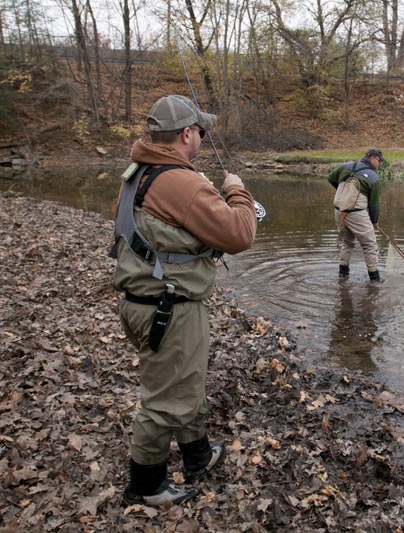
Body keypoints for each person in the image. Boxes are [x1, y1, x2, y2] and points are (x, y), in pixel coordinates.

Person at [110, 94, 257, 506]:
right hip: (167, 309)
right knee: (163, 402)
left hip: (146, 302)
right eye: (201, 131)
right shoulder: (181, 181)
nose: (202, 138)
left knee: (184, 383)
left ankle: (198, 455)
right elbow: (240, 234)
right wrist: (238, 192)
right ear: (187, 134)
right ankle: (146, 486)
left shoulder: (137, 172)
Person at [328, 148, 385, 282]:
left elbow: (331, 178)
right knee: (370, 245)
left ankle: (343, 275)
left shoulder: (346, 166)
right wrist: (374, 222)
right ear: (372, 158)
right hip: (356, 213)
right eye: (379, 161)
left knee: (347, 243)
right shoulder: (373, 177)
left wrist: (344, 193)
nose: (380, 164)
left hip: (339, 211)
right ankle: (375, 280)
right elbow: (374, 204)